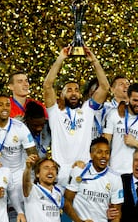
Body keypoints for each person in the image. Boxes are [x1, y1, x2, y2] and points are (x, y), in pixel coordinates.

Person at [43, 46, 110, 187]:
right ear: (61, 95)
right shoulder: (55, 112)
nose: (73, 93)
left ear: (80, 95)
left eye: (76, 90)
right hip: (59, 172)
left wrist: (94, 61)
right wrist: (60, 58)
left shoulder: (88, 109)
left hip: (83, 169)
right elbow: (47, 86)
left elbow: (104, 87)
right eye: (69, 90)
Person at [103, 83, 138, 174]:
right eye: (135, 100)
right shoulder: (114, 114)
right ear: (128, 98)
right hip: (115, 171)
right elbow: (105, 143)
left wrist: (136, 143)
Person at [64, 137, 123, 222]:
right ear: (91, 154)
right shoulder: (79, 171)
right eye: (99, 152)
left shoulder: (115, 178)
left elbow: (116, 214)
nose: (104, 156)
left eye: (107, 153)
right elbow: (66, 201)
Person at [23, 155, 63, 222]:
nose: (50, 171)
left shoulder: (58, 192)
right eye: (46, 168)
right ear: (37, 174)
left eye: (53, 168)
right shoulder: (33, 190)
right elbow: (26, 182)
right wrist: (28, 168)